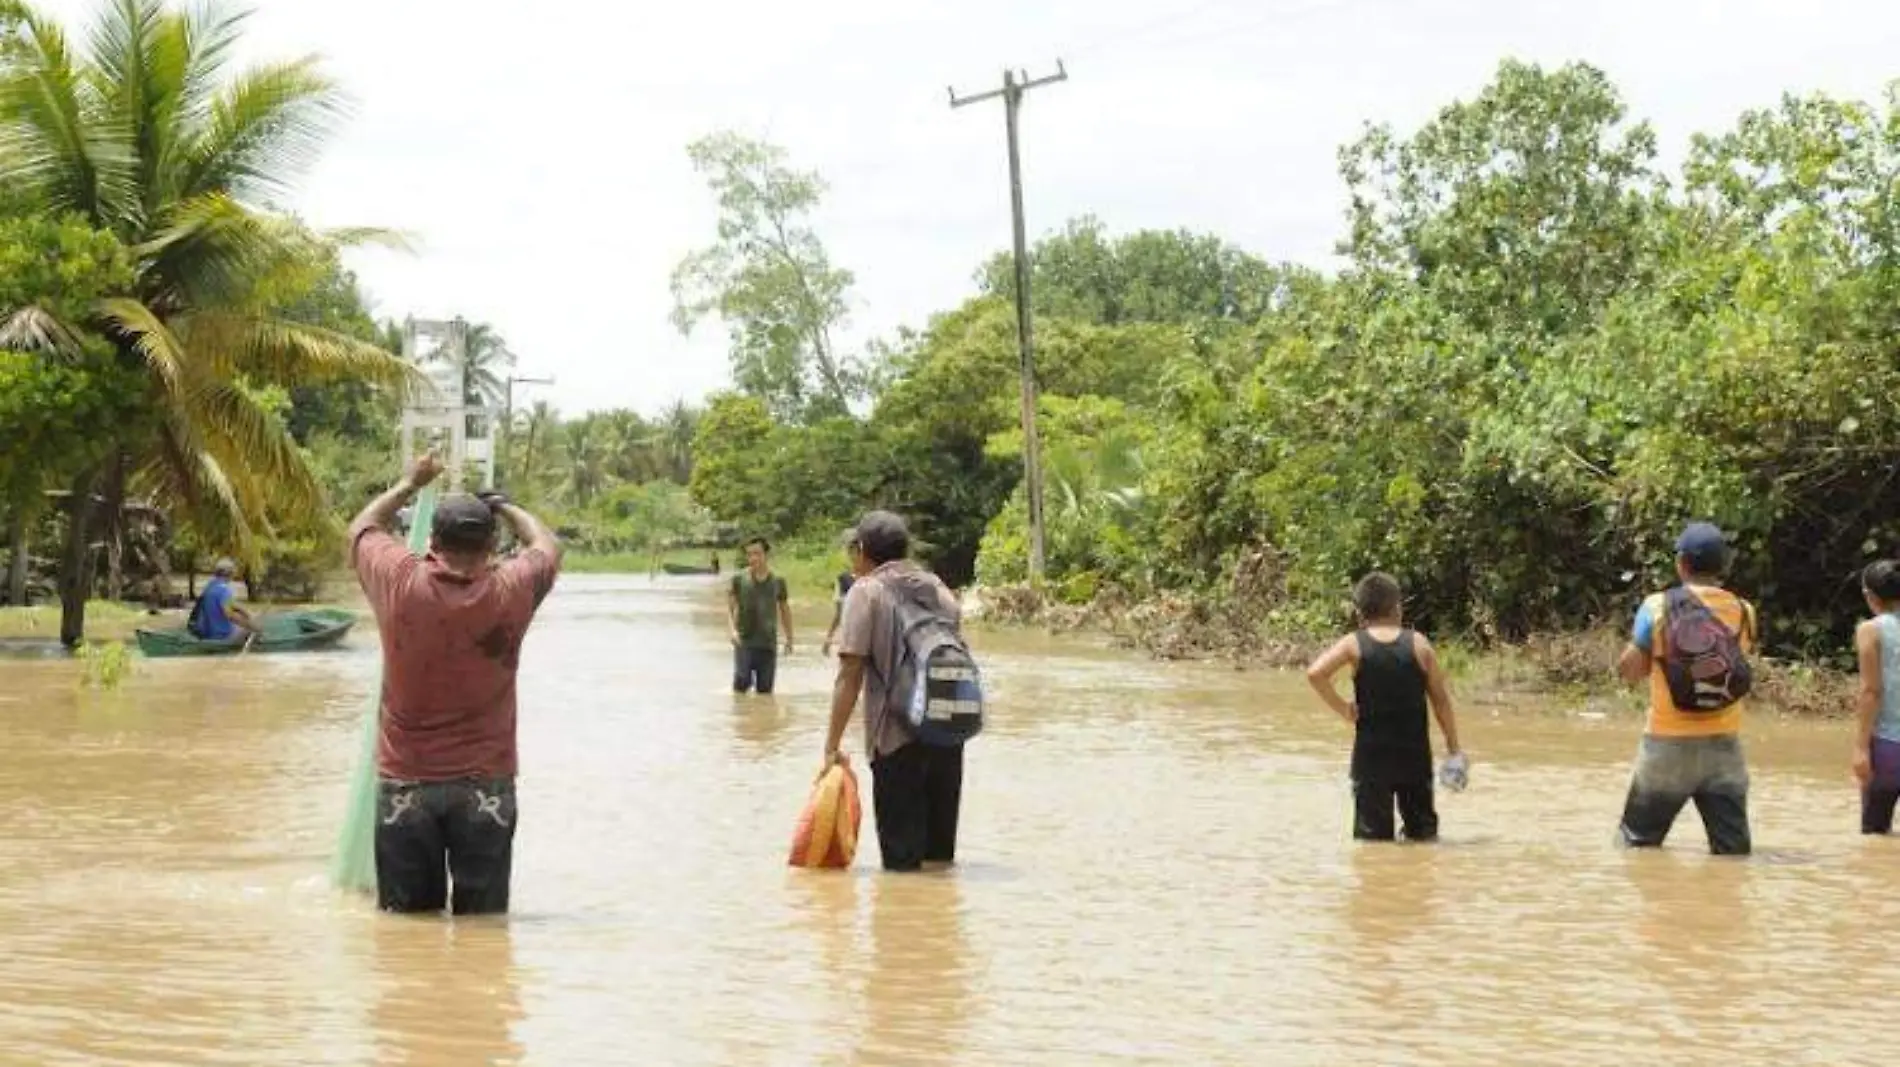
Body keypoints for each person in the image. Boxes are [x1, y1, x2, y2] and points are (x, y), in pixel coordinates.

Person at [349, 455, 563, 915]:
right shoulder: (512, 589)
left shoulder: (400, 581)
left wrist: (410, 482)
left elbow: (364, 526)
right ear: (491, 544)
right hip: (486, 784)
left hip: (406, 780)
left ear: (432, 541)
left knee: (407, 931)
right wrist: (507, 506)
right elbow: (547, 544)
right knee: (483, 929)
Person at [823, 511, 967, 871]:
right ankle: (940, 925)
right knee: (939, 863)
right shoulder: (938, 588)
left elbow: (850, 673)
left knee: (903, 869)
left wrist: (832, 745)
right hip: (948, 731)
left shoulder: (866, 591)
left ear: (861, 549)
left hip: (895, 739)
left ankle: (903, 925)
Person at [1616, 522, 1758, 856]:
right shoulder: (1744, 611)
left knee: (1636, 847)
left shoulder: (1657, 606)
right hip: (1724, 747)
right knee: (1732, 855)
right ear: (1723, 565)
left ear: (1681, 563)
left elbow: (1631, 672)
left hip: (1666, 745)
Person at [1305, 572, 1463, 842]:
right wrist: (1453, 749)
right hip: (1414, 758)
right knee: (1423, 838)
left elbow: (1315, 673)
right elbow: (1441, 702)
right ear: (1397, 607)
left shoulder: (1353, 643)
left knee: (1373, 844)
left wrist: (1344, 708)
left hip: (1371, 760)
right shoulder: (1419, 644)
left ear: (1359, 612)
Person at [1851, 560, 1900, 833]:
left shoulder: (1870, 630)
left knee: (1875, 835)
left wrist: (1860, 748)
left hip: (1888, 747)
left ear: (1870, 596)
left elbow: (1872, 691)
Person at [728, 537, 793, 694]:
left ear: (766, 555)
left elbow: (784, 609)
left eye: (757, 554)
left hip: (768, 643)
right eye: (749, 554)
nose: (753, 558)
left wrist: (789, 638)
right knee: (741, 685)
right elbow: (731, 608)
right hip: (744, 640)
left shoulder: (778, 581)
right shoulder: (738, 579)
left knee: (765, 691)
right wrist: (732, 631)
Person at [821, 528, 867, 657]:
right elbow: (839, 613)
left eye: (857, 553)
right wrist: (829, 637)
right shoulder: (843, 579)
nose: (854, 557)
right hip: (850, 636)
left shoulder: (873, 578)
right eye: (851, 552)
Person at [186, 557, 256, 641]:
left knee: (242, 627)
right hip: (223, 635)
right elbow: (230, 615)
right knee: (254, 632)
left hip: (209, 633)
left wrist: (246, 613)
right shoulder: (224, 590)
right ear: (230, 573)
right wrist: (249, 625)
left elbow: (231, 604)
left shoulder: (210, 586)